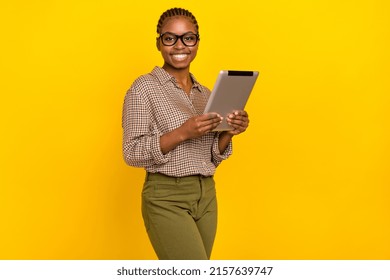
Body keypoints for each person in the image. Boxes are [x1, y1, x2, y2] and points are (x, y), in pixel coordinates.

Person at [122, 7, 249, 260]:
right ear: (159, 42)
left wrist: (230, 132)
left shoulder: (206, 94)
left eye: (188, 38)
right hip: (166, 196)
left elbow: (212, 156)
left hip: (206, 195)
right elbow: (131, 153)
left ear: (197, 43)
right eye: (170, 38)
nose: (180, 45)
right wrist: (182, 132)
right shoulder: (143, 88)